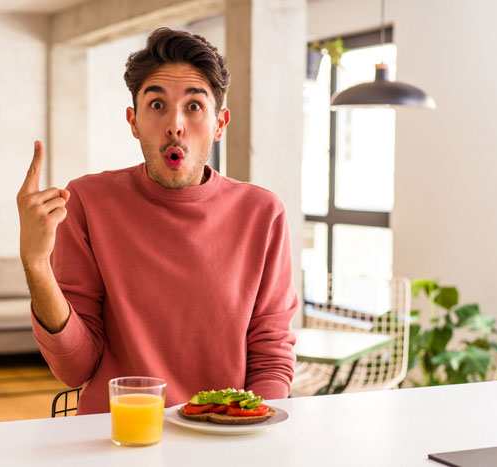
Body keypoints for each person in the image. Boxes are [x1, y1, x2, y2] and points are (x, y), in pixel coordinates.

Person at [17, 27, 298, 415]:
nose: (175, 125)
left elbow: (270, 357)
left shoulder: (263, 214)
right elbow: (74, 368)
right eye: (156, 105)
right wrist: (35, 265)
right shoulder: (86, 202)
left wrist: (249, 435)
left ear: (220, 124)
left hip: (222, 439)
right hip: (115, 436)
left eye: (194, 106)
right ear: (133, 121)